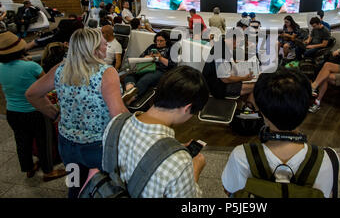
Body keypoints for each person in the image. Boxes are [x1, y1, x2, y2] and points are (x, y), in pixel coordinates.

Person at [26, 28, 128, 198]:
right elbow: (118, 113)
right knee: (102, 187)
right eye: (104, 45)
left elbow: (32, 94)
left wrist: (55, 115)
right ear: (94, 49)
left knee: (74, 185)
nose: (106, 48)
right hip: (98, 146)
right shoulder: (107, 73)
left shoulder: (61, 68)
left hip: (67, 144)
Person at [221, 67, 338, 198]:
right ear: (305, 110)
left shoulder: (241, 156)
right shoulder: (325, 160)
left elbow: (230, 189)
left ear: (262, 112)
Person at [103, 66, 208, 197]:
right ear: (188, 108)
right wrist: (195, 169)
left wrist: (169, 149)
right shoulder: (179, 162)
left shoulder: (115, 123)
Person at [0, 32, 66, 182]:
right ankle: (48, 171)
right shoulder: (31, 67)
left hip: (12, 111)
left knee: (22, 141)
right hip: (36, 111)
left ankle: (28, 168)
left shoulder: (1, 67)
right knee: (44, 141)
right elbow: (47, 84)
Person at [123, 31, 176, 104]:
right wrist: (146, 57)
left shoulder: (171, 49)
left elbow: (172, 64)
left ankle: (131, 98)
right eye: (157, 40)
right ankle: (129, 93)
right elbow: (141, 57)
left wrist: (160, 58)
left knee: (144, 80)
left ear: (166, 41)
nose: (159, 43)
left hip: (160, 70)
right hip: (147, 67)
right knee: (130, 76)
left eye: (161, 41)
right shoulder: (152, 46)